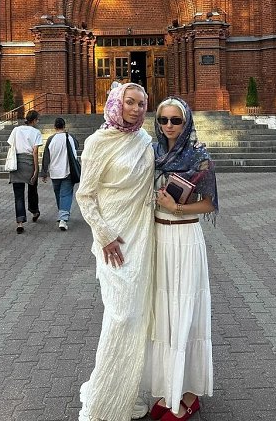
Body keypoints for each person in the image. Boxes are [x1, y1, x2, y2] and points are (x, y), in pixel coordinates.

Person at [76, 83, 155, 421]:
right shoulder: (98, 142)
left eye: (141, 103)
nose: (136, 109)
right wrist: (105, 235)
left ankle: (126, 393)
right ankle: (103, 402)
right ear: (115, 104)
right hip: (113, 243)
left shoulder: (145, 140)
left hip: (142, 238)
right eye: (130, 102)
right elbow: (85, 195)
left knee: (137, 317)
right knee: (120, 316)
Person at [144, 97, 218, 421]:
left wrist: (175, 207)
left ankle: (189, 394)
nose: (169, 126)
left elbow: (210, 204)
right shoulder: (152, 153)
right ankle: (169, 387)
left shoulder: (200, 156)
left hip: (185, 238)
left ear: (186, 122)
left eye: (176, 120)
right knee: (164, 314)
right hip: (159, 239)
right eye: (163, 120)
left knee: (186, 312)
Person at [7, 110, 43, 233]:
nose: (38, 122)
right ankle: (34, 211)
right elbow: (35, 151)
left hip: (17, 163)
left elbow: (11, 145)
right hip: (29, 162)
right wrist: (36, 169)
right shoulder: (36, 132)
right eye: (37, 119)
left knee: (18, 194)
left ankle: (20, 222)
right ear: (34, 120)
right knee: (32, 189)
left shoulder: (16, 130)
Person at [41, 117, 79, 231]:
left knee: (58, 194)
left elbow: (46, 156)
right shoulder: (70, 137)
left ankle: (62, 214)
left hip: (54, 172)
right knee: (65, 195)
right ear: (64, 126)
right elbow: (76, 147)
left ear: (54, 127)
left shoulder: (50, 139)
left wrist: (44, 172)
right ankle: (63, 218)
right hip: (68, 171)